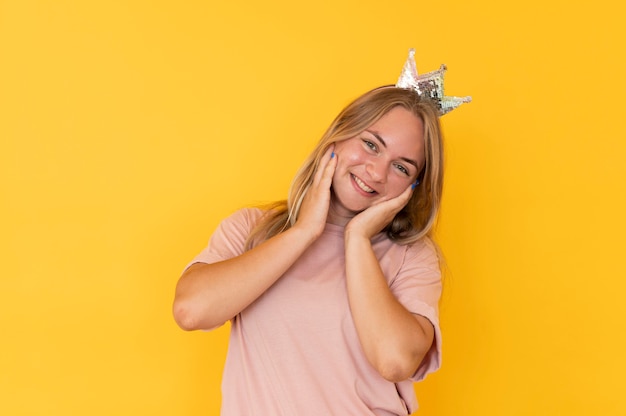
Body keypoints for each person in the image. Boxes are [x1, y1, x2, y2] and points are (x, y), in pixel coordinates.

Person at [173, 50, 470, 415]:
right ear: (338, 137)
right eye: (370, 144)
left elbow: (395, 361)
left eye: (402, 168)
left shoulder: (412, 257)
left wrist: (358, 239)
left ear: (414, 187)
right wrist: (304, 232)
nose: (377, 173)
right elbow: (191, 310)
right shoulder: (252, 229)